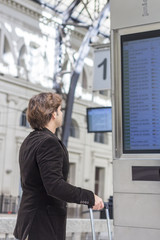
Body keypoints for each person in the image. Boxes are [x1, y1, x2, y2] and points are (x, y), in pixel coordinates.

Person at [14, 92, 104, 240]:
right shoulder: (48, 143)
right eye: (60, 110)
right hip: (43, 225)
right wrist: (89, 197)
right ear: (53, 114)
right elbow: (55, 186)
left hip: (28, 222)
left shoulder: (29, 141)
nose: (61, 113)